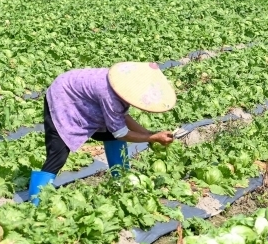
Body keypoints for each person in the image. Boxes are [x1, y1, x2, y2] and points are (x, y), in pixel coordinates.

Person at [29, 62, 177, 204]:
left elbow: (121, 117)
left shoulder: (120, 87)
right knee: (58, 153)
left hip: (84, 98)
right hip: (63, 96)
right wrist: (152, 137)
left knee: (109, 133)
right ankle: (35, 202)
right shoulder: (110, 94)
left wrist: (150, 135)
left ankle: (121, 180)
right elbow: (121, 133)